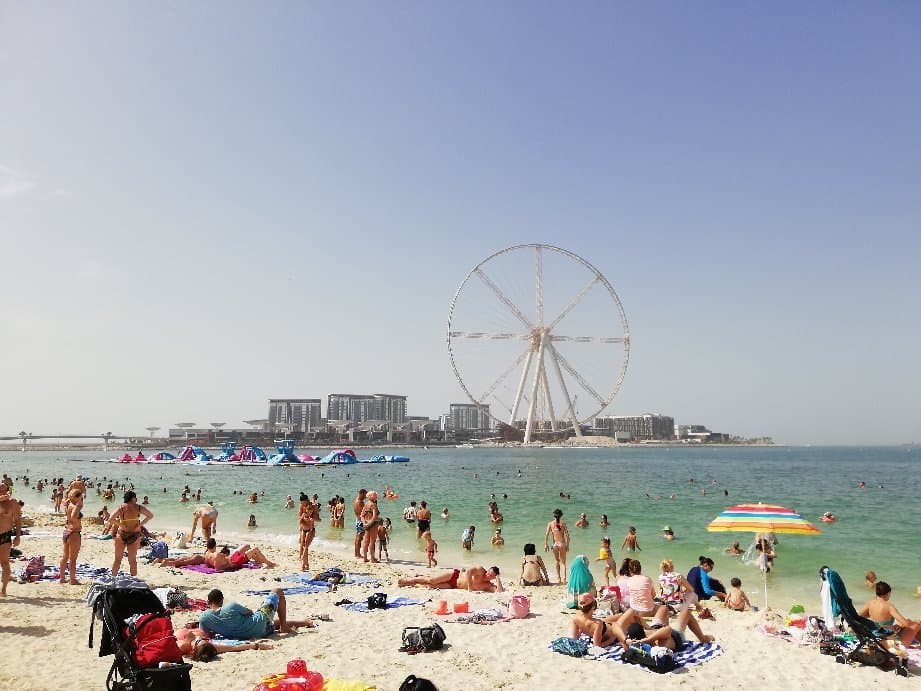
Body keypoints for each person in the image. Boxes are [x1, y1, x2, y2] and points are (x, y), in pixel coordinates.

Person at [199, 588, 315, 639]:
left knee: (272, 623)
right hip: (259, 625)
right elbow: (250, 612)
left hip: (254, 634)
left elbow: (206, 635)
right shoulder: (231, 606)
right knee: (277, 591)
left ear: (208, 602)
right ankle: (284, 627)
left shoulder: (204, 618)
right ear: (222, 600)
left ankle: (304, 622)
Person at [613, 607, 714, 651]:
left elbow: (615, 626)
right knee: (686, 612)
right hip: (675, 636)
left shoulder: (628, 643)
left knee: (664, 608)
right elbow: (667, 630)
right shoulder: (656, 645)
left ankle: (647, 627)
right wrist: (647, 640)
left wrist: (625, 640)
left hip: (654, 629)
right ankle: (703, 638)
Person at [859, 581, 921, 646]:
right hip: (890, 643)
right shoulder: (889, 606)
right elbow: (906, 624)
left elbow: (859, 616)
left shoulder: (870, 603)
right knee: (917, 624)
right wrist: (913, 622)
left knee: (905, 623)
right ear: (888, 593)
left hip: (876, 637)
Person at [107, 491, 153, 576]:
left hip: (122, 533)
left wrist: (121, 525)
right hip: (134, 534)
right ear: (133, 498)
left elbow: (111, 519)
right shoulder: (138, 508)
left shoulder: (121, 508)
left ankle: (113, 578)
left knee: (117, 559)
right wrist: (140, 525)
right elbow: (150, 515)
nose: (136, 499)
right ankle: (133, 580)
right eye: (135, 498)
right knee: (132, 560)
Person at [174, 625, 274, 661]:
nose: (200, 639)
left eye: (199, 641)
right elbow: (234, 647)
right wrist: (257, 645)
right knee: (272, 625)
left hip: (185, 630)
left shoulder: (183, 645)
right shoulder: (212, 647)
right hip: (197, 630)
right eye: (200, 641)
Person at [398, 566, 503, 592]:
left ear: (493, 578)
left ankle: (412, 584)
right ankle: (410, 580)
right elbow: (469, 571)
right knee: (432, 580)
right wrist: (470, 588)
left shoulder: (488, 585)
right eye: (488, 572)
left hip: (454, 586)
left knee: (431, 586)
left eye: (491, 575)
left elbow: (499, 591)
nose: (487, 575)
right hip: (454, 575)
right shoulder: (480, 570)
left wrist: (498, 578)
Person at [0, 482, 23, 596]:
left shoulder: (12, 503)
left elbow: (18, 520)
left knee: (5, 562)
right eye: (0, 491)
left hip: (5, 535)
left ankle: (3, 589)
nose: (3, 493)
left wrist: (18, 536)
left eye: (5, 491)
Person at [59, 489, 84, 585]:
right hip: (74, 533)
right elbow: (73, 516)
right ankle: (72, 580)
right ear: (77, 497)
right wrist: (78, 507)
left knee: (65, 556)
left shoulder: (69, 504)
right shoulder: (75, 506)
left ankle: (62, 578)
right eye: (81, 497)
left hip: (67, 531)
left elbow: (69, 516)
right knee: (73, 559)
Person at [544, 508, 570, 585]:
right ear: (561, 515)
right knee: (563, 563)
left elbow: (546, 534)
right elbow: (568, 536)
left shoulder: (550, 524)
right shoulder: (563, 524)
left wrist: (546, 544)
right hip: (562, 544)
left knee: (557, 561)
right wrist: (567, 545)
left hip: (555, 544)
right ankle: (564, 579)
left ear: (554, 515)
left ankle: (558, 578)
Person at [360, 491, 381, 563]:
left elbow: (362, 515)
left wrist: (364, 524)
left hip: (367, 524)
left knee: (366, 541)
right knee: (372, 542)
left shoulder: (366, 504)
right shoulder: (373, 505)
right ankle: (372, 558)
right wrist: (369, 524)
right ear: (370, 496)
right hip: (373, 525)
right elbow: (374, 517)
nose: (376, 496)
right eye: (375, 495)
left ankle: (365, 557)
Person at [298, 493, 315, 570]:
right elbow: (299, 517)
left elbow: (318, 518)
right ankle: (306, 564)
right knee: (303, 545)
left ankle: (303, 564)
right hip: (303, 528)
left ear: (306, 501)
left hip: (310, 528)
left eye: (302, 502)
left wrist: (310, 518)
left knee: (306, 546)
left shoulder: (313, 506)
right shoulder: (302, 506)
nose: (302, 504)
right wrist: (303, 518)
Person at [352, 489, 367, 558]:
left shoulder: (356, 500)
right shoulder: (359, 502)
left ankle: (357, 553)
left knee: (358, 538)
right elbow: (362, 513)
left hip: (358, 520)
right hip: (360, 521)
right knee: (359, 538)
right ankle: (357, 554)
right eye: (364, 495)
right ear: (361, 493)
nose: (365, 496)